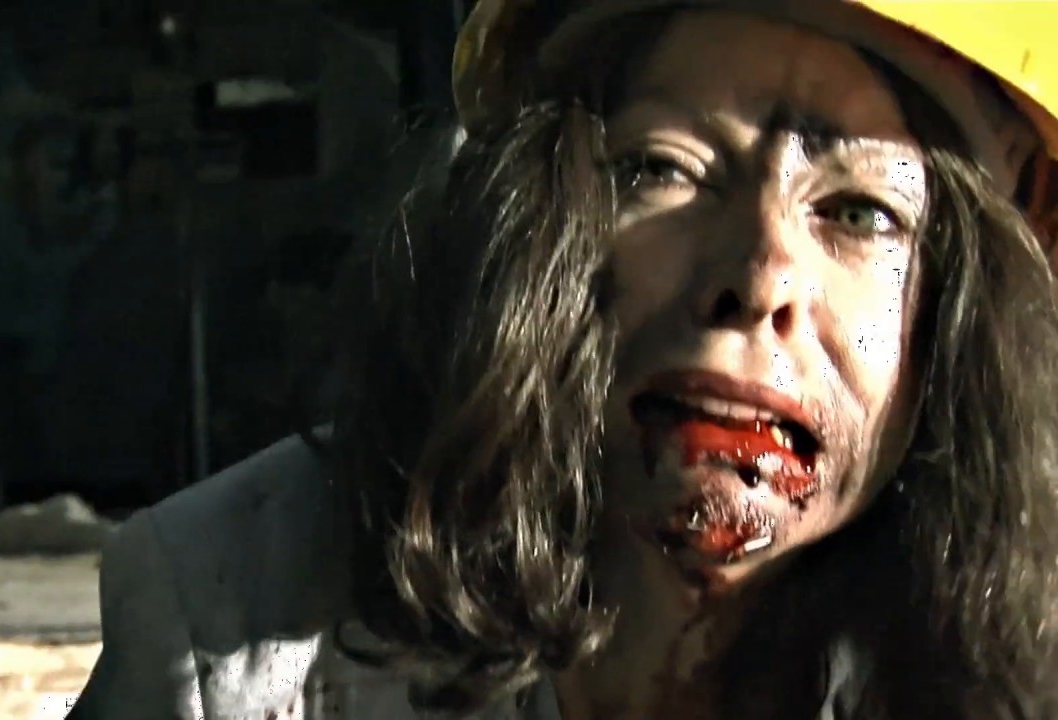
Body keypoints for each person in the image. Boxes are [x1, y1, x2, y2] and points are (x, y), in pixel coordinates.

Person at [66, 1, 1058, 718]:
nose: (759, 277)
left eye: (861, 213)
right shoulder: (230, 623)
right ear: (536, 222)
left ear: (969, 313)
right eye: (662, 169)